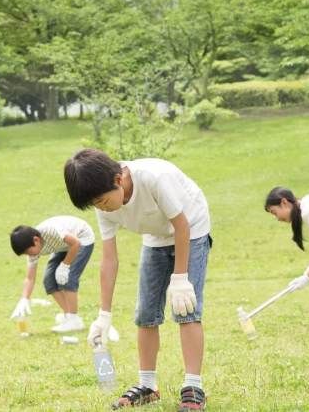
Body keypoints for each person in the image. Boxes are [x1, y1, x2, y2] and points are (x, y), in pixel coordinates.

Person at [64, 148, 211, 411]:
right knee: (145, 313)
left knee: (186, 308)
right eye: (95, 205)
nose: (102, 208)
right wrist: (104, 315)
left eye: (102, 201)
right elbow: (109, 259)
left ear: (119, 180)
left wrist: (180, 278)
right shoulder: (104, 204)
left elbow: (181, 225)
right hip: (155, 236)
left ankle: (193, 386)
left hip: (192, 227)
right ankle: (148, 385)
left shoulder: (154, 177)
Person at [9, 216, 95, 333]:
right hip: (63, 246)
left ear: (36, 240)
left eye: (28, 252)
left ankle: (74, 320)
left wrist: (65, 265)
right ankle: (68, 316)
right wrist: (24, 298)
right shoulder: (32, 249)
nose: (29, 255)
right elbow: (30, 278)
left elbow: (75, 243)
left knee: (68, 277)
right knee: (49, 280)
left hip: (82, 239)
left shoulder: (52, 231)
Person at [265, 185, 309, 290]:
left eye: (274, 212)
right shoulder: (308, 209)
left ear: (284, 202)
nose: (277, 218)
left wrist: (308, 277)